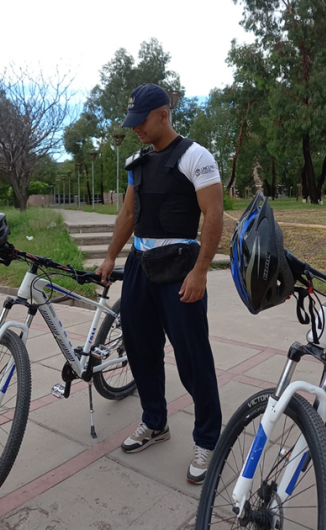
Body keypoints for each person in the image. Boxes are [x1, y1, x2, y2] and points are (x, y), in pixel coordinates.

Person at [95, 83, 224, 484]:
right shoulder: (138, 162)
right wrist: (112, 254)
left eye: (141, 121)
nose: (135, 129)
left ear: (163, 114)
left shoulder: (196, 157)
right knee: (140, 348)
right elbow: (128, 213)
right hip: (140, 266)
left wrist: (201, 270)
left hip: (180, 267)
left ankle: (208, 439)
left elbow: (214, 215)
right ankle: (154, 421)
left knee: (191, 355)